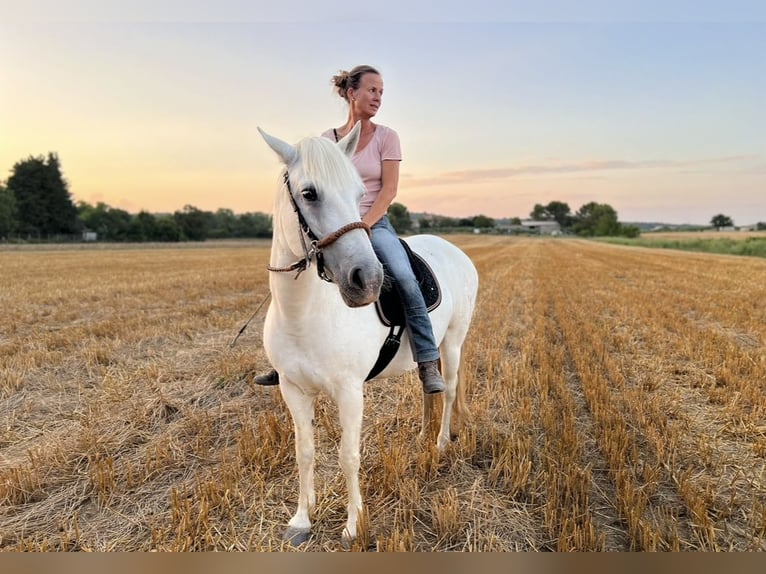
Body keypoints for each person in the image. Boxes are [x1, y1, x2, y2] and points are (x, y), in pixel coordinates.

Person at [254, 65, 445, 394]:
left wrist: (362, 226)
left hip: (373, 222)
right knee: (295, 277)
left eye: (382, 92)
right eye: (372, 90)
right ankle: (285, 361)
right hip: (330, 225)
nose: (378, 97)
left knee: (403, 276)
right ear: (351, 93)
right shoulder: (327, 141)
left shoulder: (387, 137)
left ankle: (427, 359)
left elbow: (388, 192)